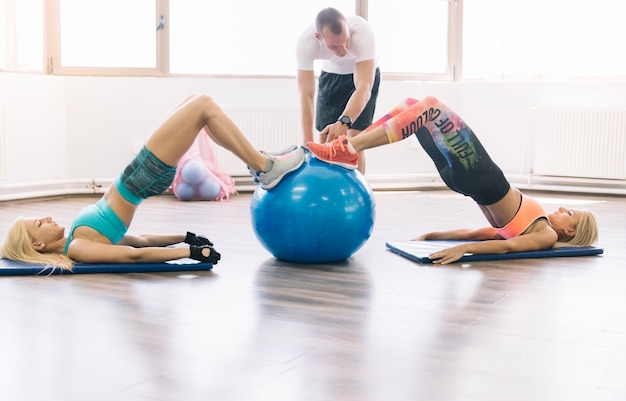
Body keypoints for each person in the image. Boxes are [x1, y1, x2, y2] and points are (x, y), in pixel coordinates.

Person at [1, 94, 305, 272]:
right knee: (203, 105)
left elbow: (139, 241)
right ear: (38, 245)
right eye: (39, 223)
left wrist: (185, 236)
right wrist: (189, 254)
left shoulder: (78, 239)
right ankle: (264, 166)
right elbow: (134, 257)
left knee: (197, 105)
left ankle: (260, 160)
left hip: (138, 174)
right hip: (142, 177)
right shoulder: (79, 248)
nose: (47, 217)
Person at [306, 96, 599, 264]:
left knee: (431, 107)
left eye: (569, 214)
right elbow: (481, 233)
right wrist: (436, 235)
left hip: (482, 177)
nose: (562, 209)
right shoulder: (530, 227)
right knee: (414, 106)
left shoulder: (546, 235)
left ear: (571, 233)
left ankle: (348, 147)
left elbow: (506, 249)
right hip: (466, 181)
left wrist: (464, 251)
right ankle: (349, 142)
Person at [296, 7, 380, 174]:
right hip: (332, 75)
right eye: (334, 46)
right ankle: (326, 188)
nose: (343, 49)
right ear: (318, 38)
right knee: (325, 137)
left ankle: (357, 192)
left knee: (354, 140)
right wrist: (307, 142)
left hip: (363, 76)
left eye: (346, 41)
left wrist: (345, 121)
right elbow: (306, 95)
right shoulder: (306, 43)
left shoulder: (362, 32)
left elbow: (364, 88)